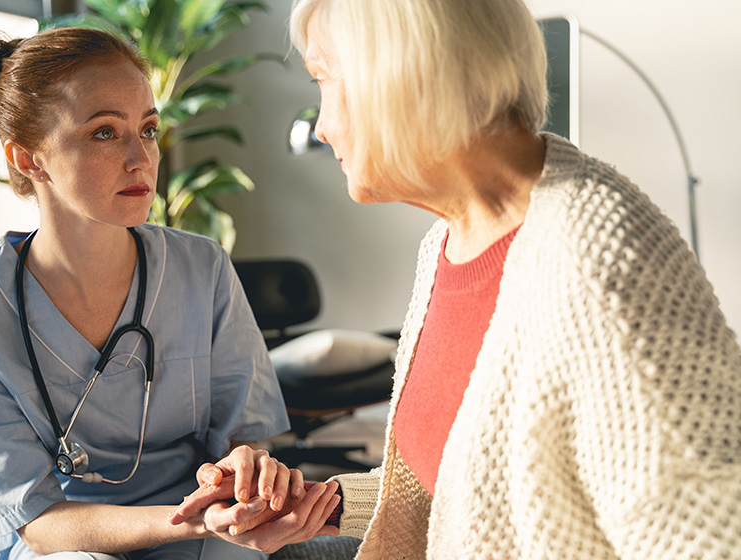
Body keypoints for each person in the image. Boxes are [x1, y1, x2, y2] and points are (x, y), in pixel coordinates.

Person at [172, 0, 741, 558]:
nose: (321, 128)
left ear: (403, 76)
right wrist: (323, 502)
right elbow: (454, 483)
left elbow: (711, 535)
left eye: (324, 80)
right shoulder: (449, 240)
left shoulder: (598, 263)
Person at [0, 26, 340, 560]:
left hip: (205, 522)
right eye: (104, 132)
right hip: (73, 541)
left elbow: (244, 439)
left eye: (147, 129)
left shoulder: (202, 267)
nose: (140, 158)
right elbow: (36, 520)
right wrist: (189, 524)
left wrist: (244, 472)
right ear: (28, 158)